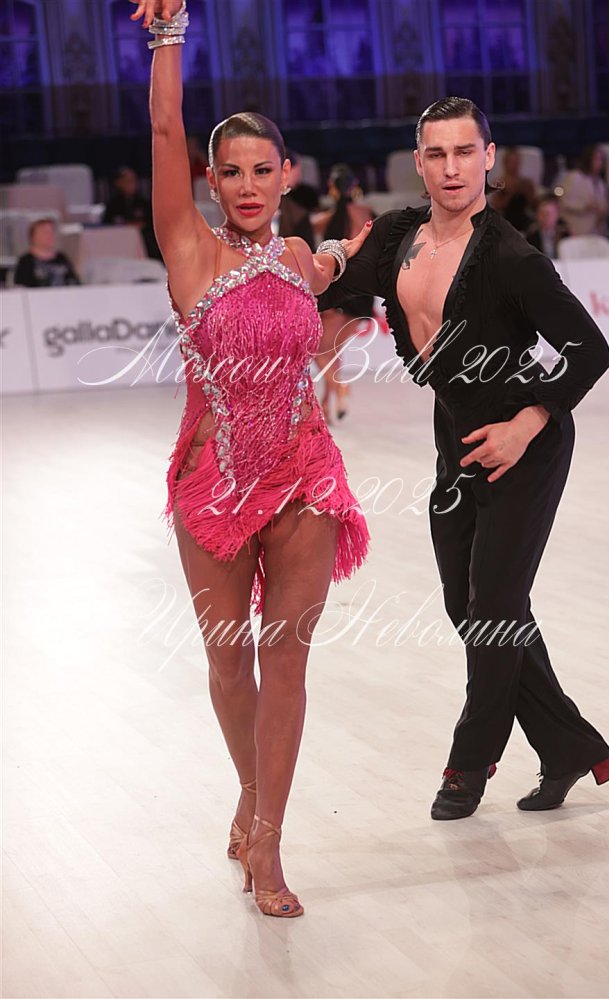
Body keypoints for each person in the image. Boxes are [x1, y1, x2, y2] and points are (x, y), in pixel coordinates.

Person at [130, 0, 372, 919]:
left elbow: (328, 305)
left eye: (262, 169)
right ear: (210, 178)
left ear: (287, 174)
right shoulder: (188, 247)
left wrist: (356, 274)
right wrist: (169, 36)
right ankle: (250, 791)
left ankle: (268, 837)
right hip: (215, 481)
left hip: (306, 474)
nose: (246, 184)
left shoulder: (304, 259)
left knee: (288, 660)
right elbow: (164, 127)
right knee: (231, 664)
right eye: (229, 171)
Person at [317, 96, 609, 821]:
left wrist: (528, 422)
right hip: (455, 436)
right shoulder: (396, 234)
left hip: (524, 444)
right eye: (437, 154)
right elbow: (343, 286)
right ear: (418, 163)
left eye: (464, 152)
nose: (451, 168)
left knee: (496, 610)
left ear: (488, 157)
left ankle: (468, 764)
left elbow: (590, 350)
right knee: (469, 604)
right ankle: (570, 746)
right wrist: (326, 257)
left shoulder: (512, 257)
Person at [311, 163, 375, 422]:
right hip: (363, 293)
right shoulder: (366, 212)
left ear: (331, 187)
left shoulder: (327, 218)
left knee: (319, 349)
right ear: (354, 186)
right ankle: (327, 404)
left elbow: (310, 230)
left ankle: (340, 387)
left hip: (339, 291)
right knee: (331, 350)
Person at [103, 165, 162, 260]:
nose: (132, 184)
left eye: (134, 180)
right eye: (128, 181)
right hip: (119, 241)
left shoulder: (143, 203)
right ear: (118, 183)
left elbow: (151, 223)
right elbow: (107, 225)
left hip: (144, 241)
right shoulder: (112, 205)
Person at [559, 143, 609, 236]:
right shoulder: (574, 177)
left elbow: (603, 206)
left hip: (595, 231)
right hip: (575, 229)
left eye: (602, 160)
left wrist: (603, 210)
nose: (599, 163)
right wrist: (584, 207)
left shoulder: (601, 183)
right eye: (596, 159)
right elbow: (563, 201)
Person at [14, 218, 80, 287]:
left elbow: (76, 284)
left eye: (51, 231)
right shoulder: (25, 261)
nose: (49, 235)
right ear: (33, 236)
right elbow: (22, 288)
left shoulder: (62, 258)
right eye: (44, 232)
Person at [489, 145, 537, 232]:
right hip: (505, 220)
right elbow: (495, 206)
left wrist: (527, 192)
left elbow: (534, 205)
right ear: (505, 163)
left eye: (516, 162)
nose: (514, 165)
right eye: (511, 162)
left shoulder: (526, 183)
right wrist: (510, 194)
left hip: (524, 221)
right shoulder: (499, 182)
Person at [277, 148, 317, 251]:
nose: (299, 174)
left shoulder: (303, 196)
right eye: (298, 169)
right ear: (287, 169)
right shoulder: (297, 213)